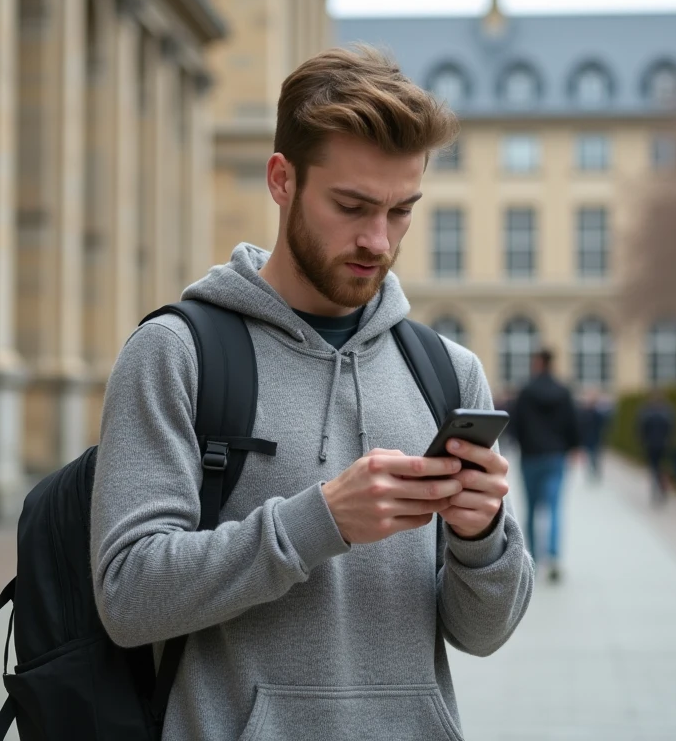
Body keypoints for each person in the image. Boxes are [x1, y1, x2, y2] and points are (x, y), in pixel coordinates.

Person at [91, 45, 534, 741]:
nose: (377, 240)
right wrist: (319, 521)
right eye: (352, 206)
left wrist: (481, 539)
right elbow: (128, 596)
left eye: (401, 211)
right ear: (281, 179)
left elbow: (484, 635)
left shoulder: (448, 373)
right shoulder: (178, 352)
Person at [508, 349, 581, 583]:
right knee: (554, 507)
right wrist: (573, 447)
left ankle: (532, 559)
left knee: (531, 509)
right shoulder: (563, 391)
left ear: (538, 363)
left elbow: (515, 423)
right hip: (555, 456)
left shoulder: (526, 392)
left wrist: (521, 444)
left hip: (531, 456)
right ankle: (554, 555)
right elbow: (573, 422)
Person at [636, 389, 676, 506]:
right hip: (661, 445)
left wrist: (642, 442)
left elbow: (640, 430)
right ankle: (660, 488)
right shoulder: (667, 412)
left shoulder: (647, 412)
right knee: (659, 468)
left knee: (656, 469)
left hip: (654, 445)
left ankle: (658, 488)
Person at [578, 388, 612, 483]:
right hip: (588, 439)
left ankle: (595, 473)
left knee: (595, 458)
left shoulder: (598, 413)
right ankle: (591, 473)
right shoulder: (584, 413)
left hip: (596, 439)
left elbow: (604, 426)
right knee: (589, 458)